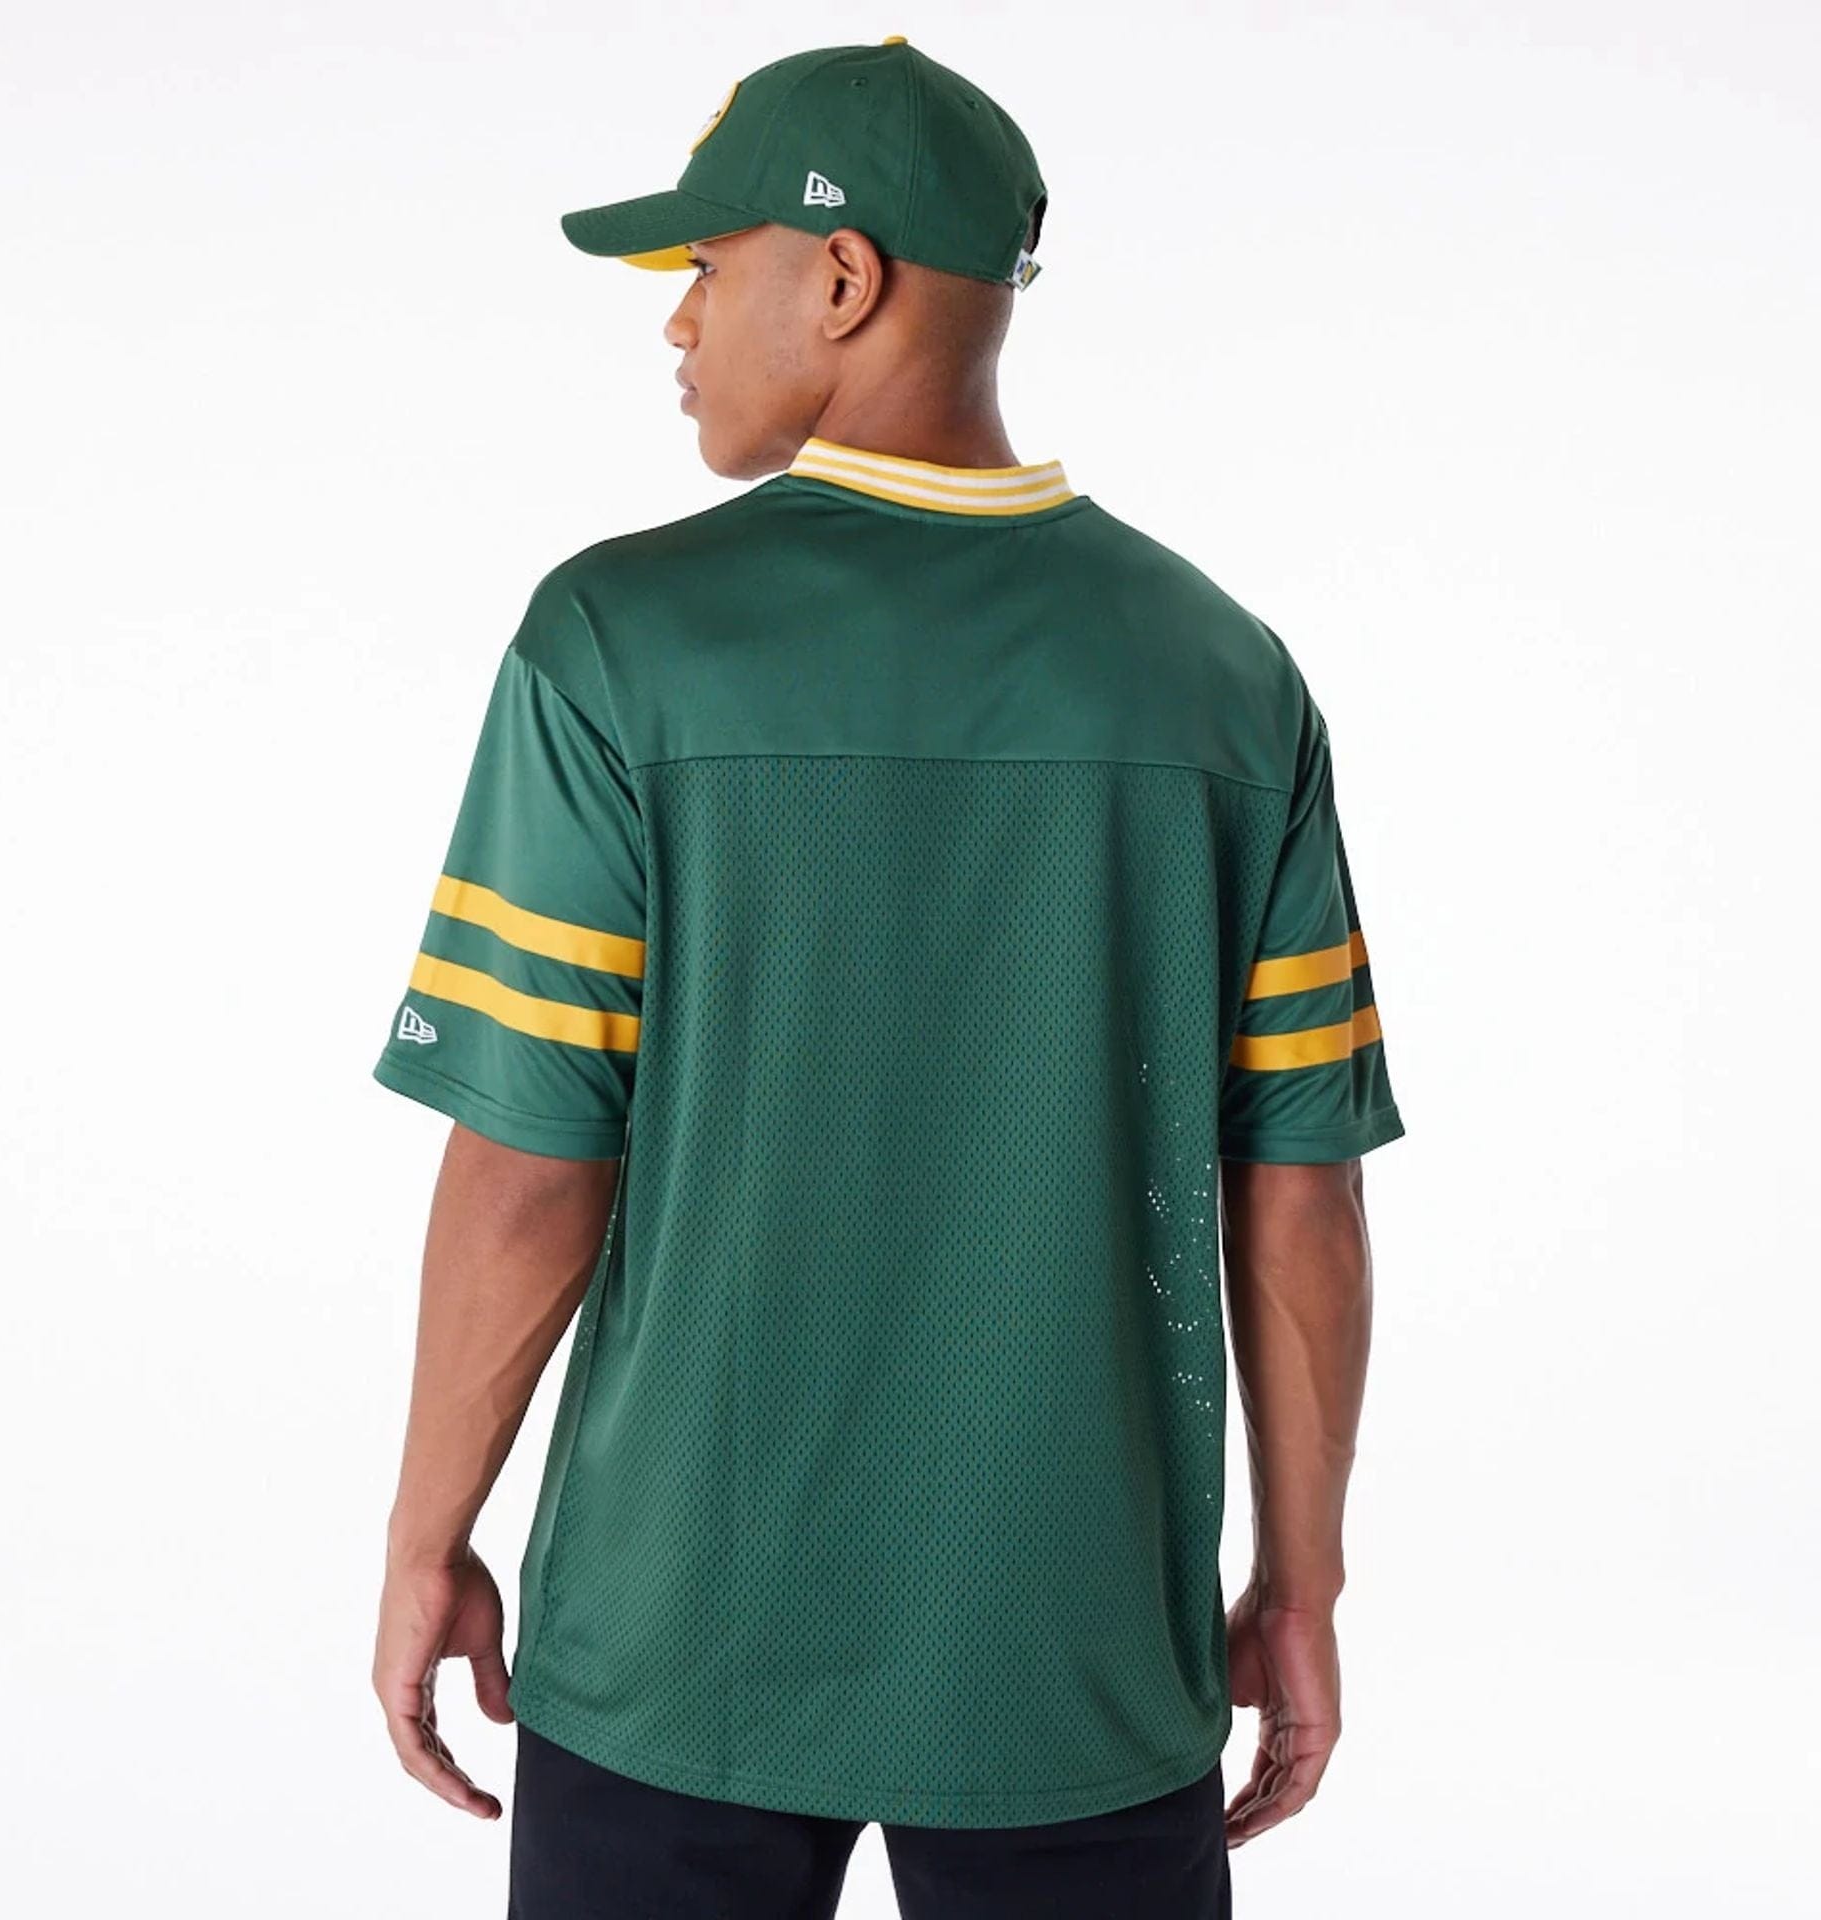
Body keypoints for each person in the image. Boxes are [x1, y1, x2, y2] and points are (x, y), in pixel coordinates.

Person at [369, 34, 1405, 1920]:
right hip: (1080, 1648)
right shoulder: (1227, 677)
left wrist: (426, 1537)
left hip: (674, 1633)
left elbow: (528, 1168)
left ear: (843, 277)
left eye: (706, 265)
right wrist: (1300, 1585)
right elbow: (1301, 1195)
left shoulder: (617, 640)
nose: (677, 320)